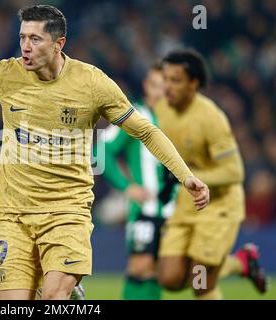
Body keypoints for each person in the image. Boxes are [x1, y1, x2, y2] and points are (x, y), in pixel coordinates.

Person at [0, 5, 209, 300]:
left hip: (67, 211)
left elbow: (146, 131)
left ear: (58, 43)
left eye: (35, 39)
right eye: (22, 37)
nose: (25, 46)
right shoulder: (6, 74)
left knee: (52, 297)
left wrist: (186, 176)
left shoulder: (93, 84)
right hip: (13, 216)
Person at [155, 48, 267, 299]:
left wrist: (194, 178)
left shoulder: (211, 118)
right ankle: (242, 262)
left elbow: (234, 171)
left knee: (201, 282)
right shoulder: (161, 111)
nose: (167, 87)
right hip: (187, 202)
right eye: (165, 79)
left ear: (193, 84)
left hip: (218, 206)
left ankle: (232, 266)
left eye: (175, 80)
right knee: (170, 278)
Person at [95, 62, 177, 299]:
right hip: (146, 209)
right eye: (155, 85)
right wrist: (126, 186)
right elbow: (101, 152)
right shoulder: (135, 116)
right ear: (146, 86)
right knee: (140, 268)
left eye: (166, 86)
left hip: (174, 210)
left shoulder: (175, 121)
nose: (160, 91)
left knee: (163, 271)